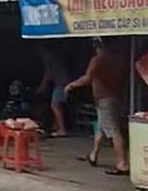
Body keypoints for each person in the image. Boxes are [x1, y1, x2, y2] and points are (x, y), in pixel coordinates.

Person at [65, 38, 128, 176]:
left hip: (104, 98)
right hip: (114, 96)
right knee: (101, 128)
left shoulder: (98, 60)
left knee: (113, 130)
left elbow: (88, 78)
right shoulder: (118, 59)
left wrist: (72, 85)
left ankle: (122, 163)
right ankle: (93, 155)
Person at [38, 44, 69, 137]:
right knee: (58, 105)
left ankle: (62, 129)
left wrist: (42, 86)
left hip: (62, 82)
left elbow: (48, 74)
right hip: (61, 82)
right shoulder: (55, 57)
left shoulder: (48, 58)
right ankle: (56, 127)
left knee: (55, 105)